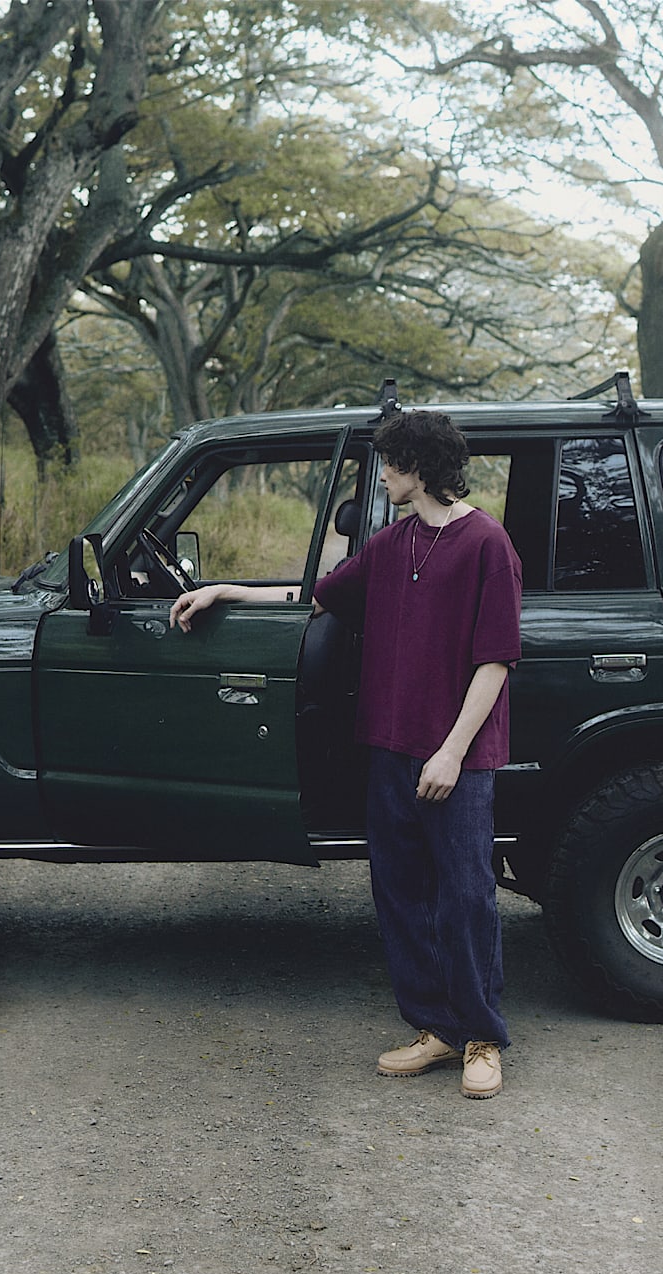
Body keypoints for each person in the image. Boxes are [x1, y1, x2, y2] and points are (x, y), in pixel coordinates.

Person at [169, 409, 523, 1099]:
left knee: (465, 897)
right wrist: (224, 591)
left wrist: (451, 753)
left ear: (419, 467)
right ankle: (436, 1028)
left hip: (456, 758)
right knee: (401, 894)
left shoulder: (487, 543)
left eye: (390, 464)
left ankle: (482, 1037)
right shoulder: (393, 543)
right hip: (389, 751)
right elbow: (316, 598)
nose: (382, 476)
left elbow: (496, 661)